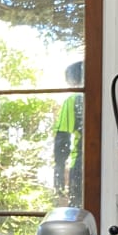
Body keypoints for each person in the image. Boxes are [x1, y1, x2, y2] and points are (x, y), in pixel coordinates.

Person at [53, 61, 84, 207]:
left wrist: (59, 168)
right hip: (97, 161)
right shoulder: (99, 98)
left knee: (77, 210)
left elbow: (62, 139)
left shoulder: (73, 100)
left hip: (79, 163)